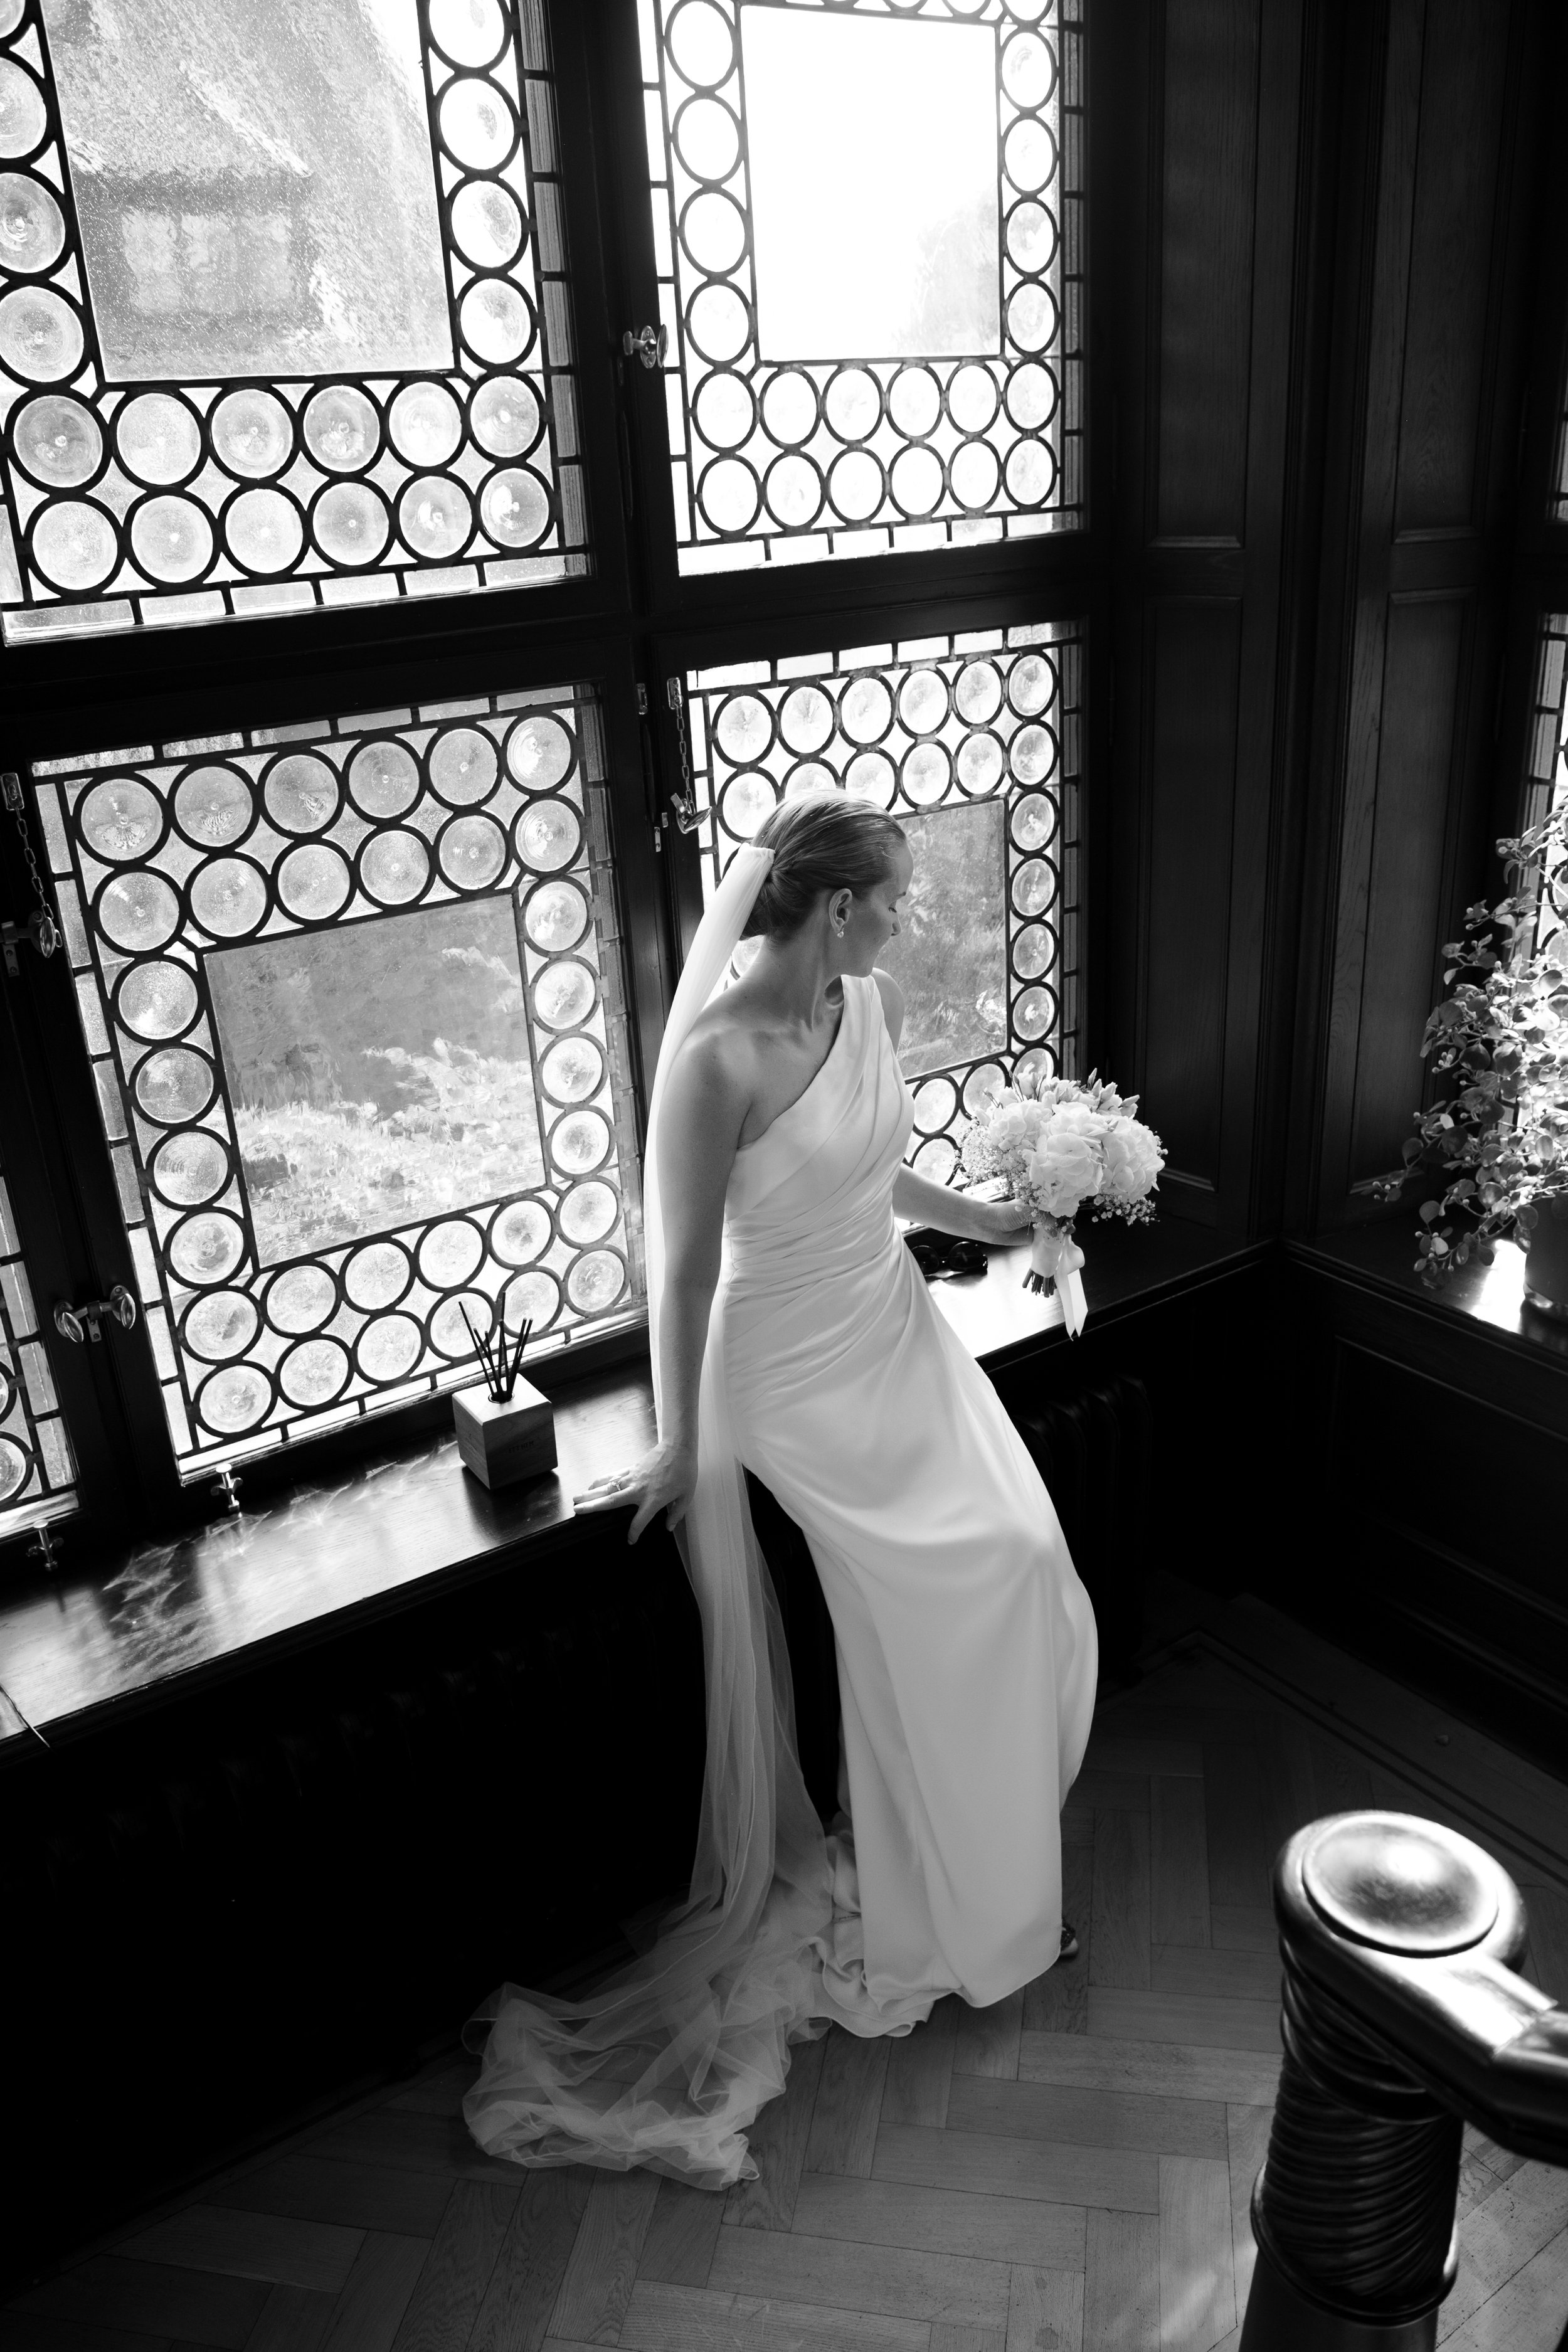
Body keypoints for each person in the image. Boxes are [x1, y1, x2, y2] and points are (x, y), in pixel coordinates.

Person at [463, 793, 1097, 2187]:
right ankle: (966, 1913)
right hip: (787, 1375)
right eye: (892, 901)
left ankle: (969, 1869)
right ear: (830, 911)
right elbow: (681, 1270)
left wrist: (984, 1220)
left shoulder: (852, 1010)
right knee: (949, 1602)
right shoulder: (714, 1061)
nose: (904, 919)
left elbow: (872, 1175)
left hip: (888, 1328)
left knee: (1024, 1561)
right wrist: (692, 1443)